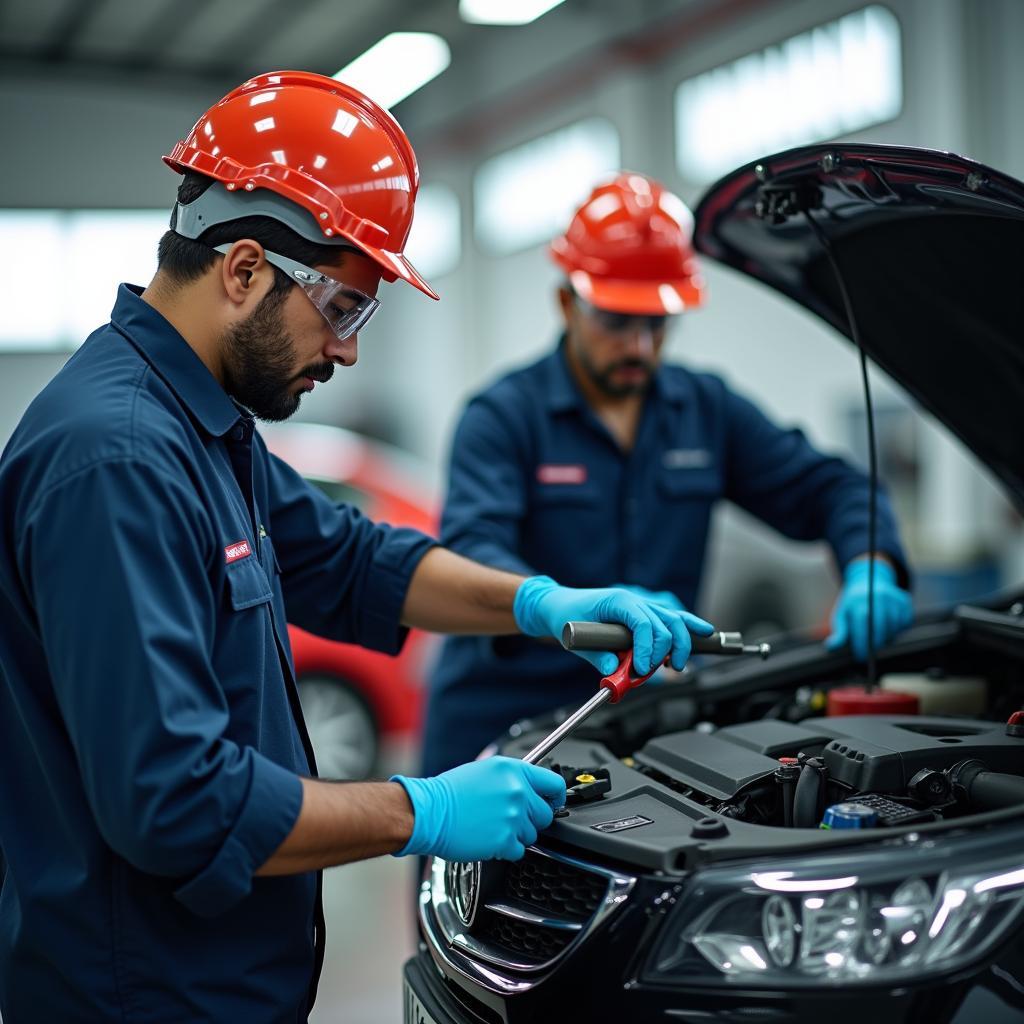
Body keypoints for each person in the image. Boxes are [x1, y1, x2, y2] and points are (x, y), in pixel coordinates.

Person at [0, 76, 714, 1022]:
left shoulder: (201, 424)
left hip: (211, 977)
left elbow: (349, 557)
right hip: (142, 992)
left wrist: (547, 603)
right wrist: (420, 810)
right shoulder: (119, 458)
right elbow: (172, 803)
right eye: (342, 308)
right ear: (245, 268)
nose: (347, 353)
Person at [421, 171, 914, 779]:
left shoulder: (705, 412)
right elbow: (473, 553)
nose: (640, 347)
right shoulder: (502, 418)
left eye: (657, 324)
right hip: (500, 718)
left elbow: (830, 488)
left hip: (646, 716)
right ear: (567, 302)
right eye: (617, 322)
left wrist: (872, 565)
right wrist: (569, 610)